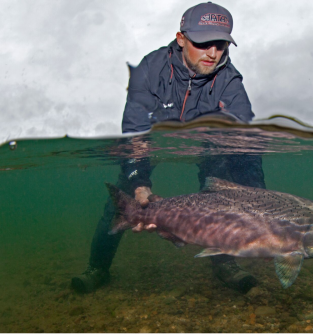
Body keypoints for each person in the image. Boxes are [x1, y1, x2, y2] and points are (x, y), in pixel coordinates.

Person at [71, 2, 265, 294]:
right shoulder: (150, 68)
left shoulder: (231, 82)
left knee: (224, 200)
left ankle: (224, 263)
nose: (213, 53)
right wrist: (138, 183)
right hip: (152, 140)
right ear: (181, 39)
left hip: (208, 145)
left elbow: (245, 145)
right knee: (121, 201)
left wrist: (257, 197)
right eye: (203, 43)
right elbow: (135, 130)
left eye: (221, 44)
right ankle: (98, 267)